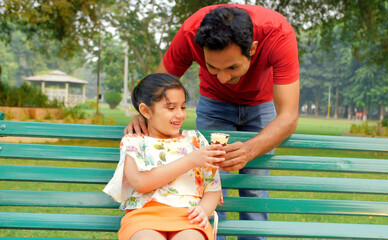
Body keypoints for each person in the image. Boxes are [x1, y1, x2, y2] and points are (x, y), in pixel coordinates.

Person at [124, 4, 300, 240]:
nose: (225, 78)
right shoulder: (190, 34)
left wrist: (250, 149)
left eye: (233, 67)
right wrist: (145, 112)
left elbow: (288, 116)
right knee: (212, 183)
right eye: (212, 67)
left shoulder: (278, 33)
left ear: (253, 49)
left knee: (255, 187)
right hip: (214, 104)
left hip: (261, 103)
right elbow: (158, 86)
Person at [104, 73, 225, 240]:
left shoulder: (196, 141)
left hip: (189, 217)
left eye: (182, 107)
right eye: (171, 108)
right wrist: (190, 160)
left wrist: (203, 209)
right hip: (144, 217)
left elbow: (213, 188)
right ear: (146, 111)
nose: (180, 114)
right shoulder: (134, 142)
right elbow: (141, 183)